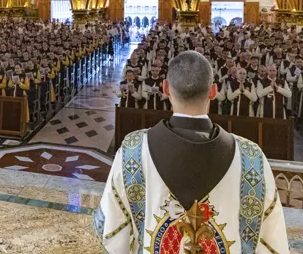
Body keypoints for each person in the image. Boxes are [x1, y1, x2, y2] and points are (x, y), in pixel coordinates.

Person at [94, 51, 288, 253]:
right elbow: (272, 242)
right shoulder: (252, 159)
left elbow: (111, 231)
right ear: (213, 92)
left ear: (166, 88)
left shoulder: (132, 151)